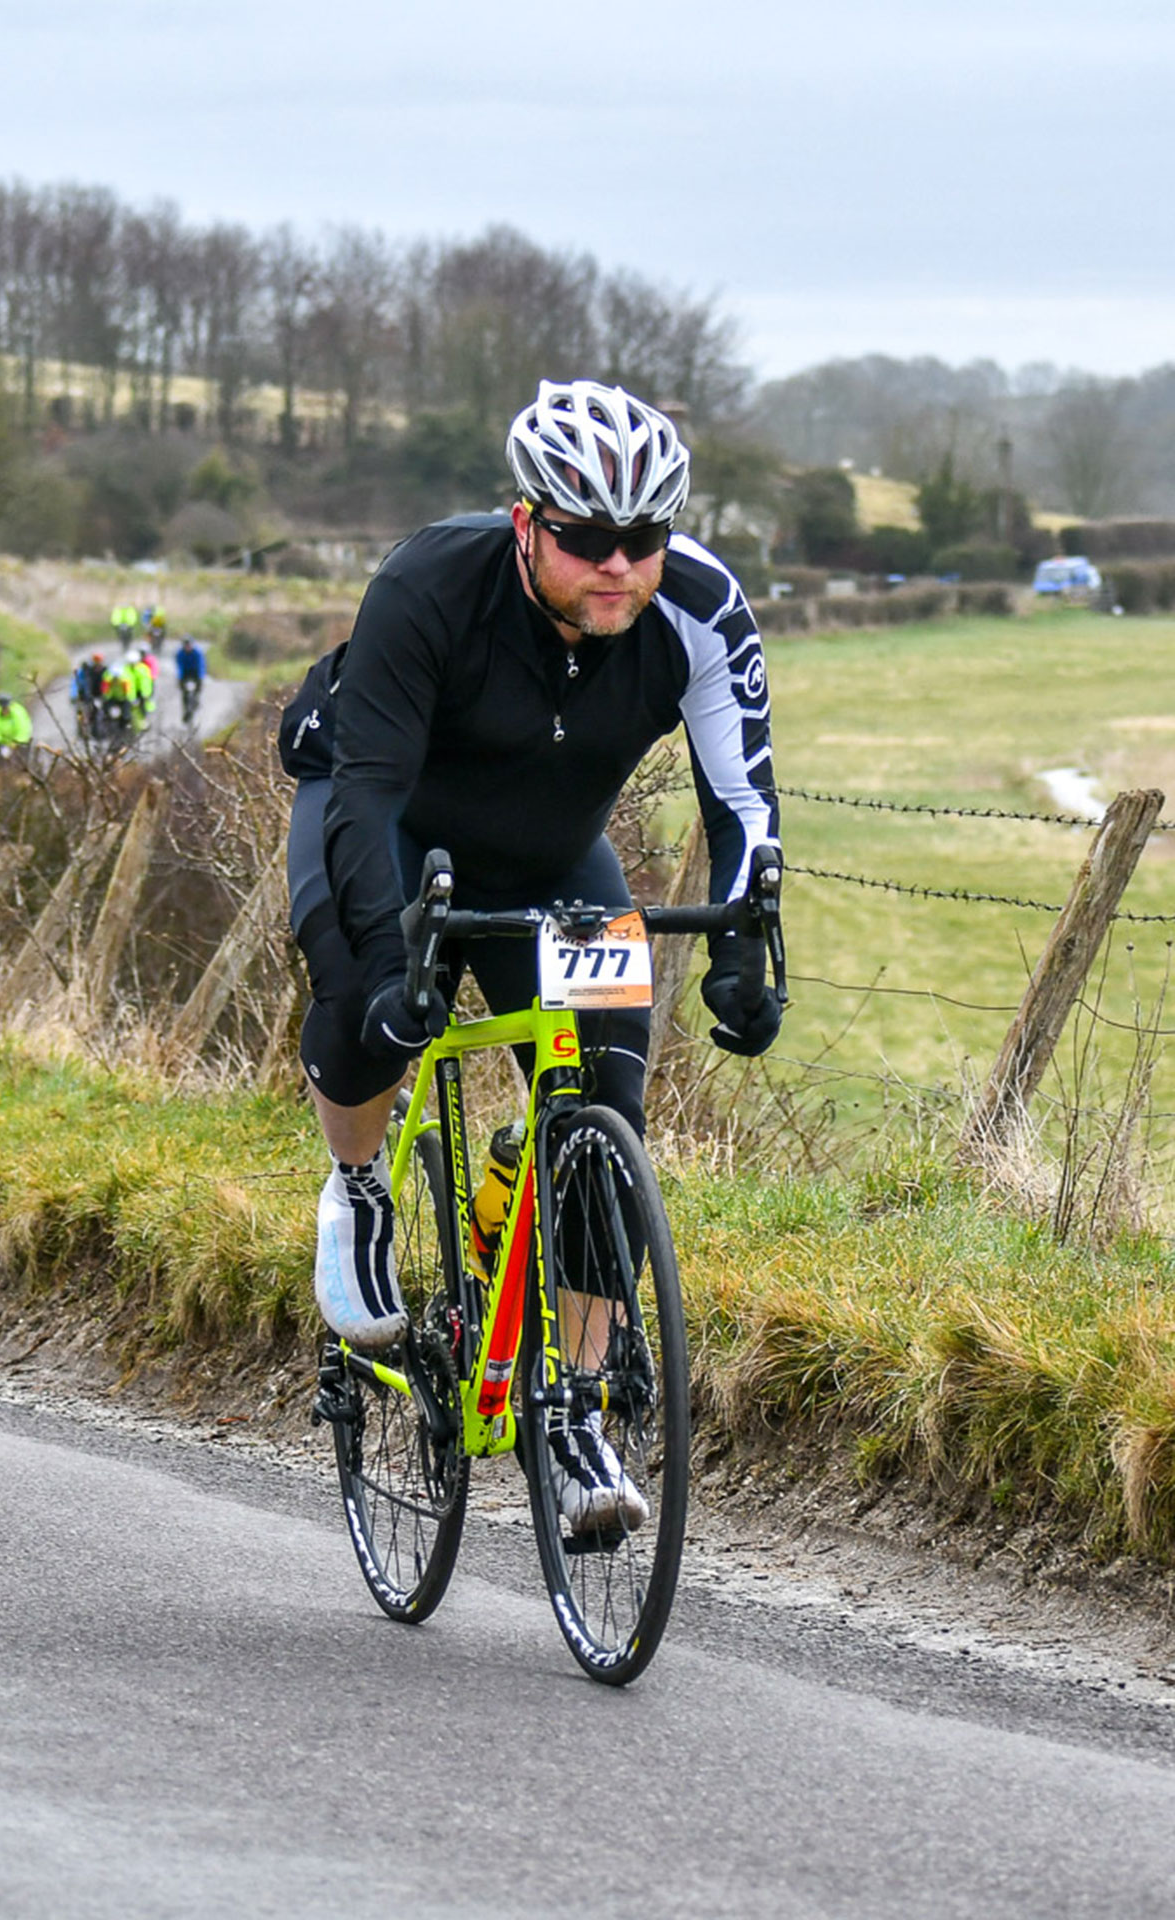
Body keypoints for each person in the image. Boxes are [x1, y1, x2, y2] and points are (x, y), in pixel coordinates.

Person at [284, 378, 780, 1525]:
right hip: (392, 825)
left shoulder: (700, 608)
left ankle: (577, 1424)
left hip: (554, 858)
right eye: (588, 540)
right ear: (526, 525)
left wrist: (752, 949)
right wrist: (392, 961)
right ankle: (358, 1189)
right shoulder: (430, 585)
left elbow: (742, 796)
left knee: (607, 1096)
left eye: (644, 539)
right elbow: (363, 795)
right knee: (365, 998)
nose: (620, 566)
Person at [0, 692, 33, 760]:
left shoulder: (18, 712)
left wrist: (15, 744)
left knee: (23, 756)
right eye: (3, 708)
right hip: (2, 744)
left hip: (18, 743)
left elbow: (23, 730)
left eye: (6, 707)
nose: (5, 710)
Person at [174, 635, 207, 722]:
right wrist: (180, 678)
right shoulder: (180, 653)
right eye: (186, 645)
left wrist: (200, 677)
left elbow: (201, 665)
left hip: (196, 672)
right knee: (184, 692)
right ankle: (186, 710)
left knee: (198, 688)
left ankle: (196, 699)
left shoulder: (198, 653)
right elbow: (180, 666)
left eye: (189, 644)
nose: (188, 647)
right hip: (185, 673)